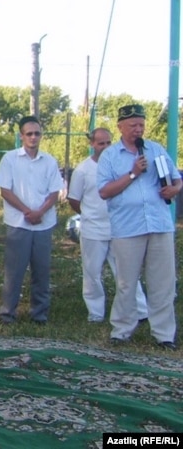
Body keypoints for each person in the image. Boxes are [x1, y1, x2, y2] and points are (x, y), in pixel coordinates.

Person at [97, 104, 181, 349]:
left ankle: (164, 335)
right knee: (126, 283)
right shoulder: (110, 156)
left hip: (159, 224)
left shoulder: (156, 149)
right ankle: (121, 330)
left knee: (163, 283)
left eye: (141, 124)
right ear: (120, 127)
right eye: (133, 125)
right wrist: (133, 173)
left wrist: (174, 189)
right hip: (127, 227)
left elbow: (177, 180)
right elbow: (104, 191)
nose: (138, 129)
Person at [67, 127, 148, 324]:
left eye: (108, 142)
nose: (104, 146)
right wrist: (89, 214)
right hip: (93, 229)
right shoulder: (83, 170)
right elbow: (74, 199)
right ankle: (96, 313)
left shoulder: (121, 165)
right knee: (92, 272)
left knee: (127, 272)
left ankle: (140, 311)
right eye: (100, 143)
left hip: (120, 227)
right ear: (92, 144)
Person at [0, 115, 64, 325]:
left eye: (37, 133)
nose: (33, 137)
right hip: (18, 223)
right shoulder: (10, 159)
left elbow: (54, 192)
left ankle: (39, 314)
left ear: (41, 135)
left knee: (42, 271)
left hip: (43, 224)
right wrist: (27, 212)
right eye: (29, 133)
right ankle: (7, 313)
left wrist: (40, 212)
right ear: (21, 136)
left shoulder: (49, 161)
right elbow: (5, 191)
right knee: (14, 271)